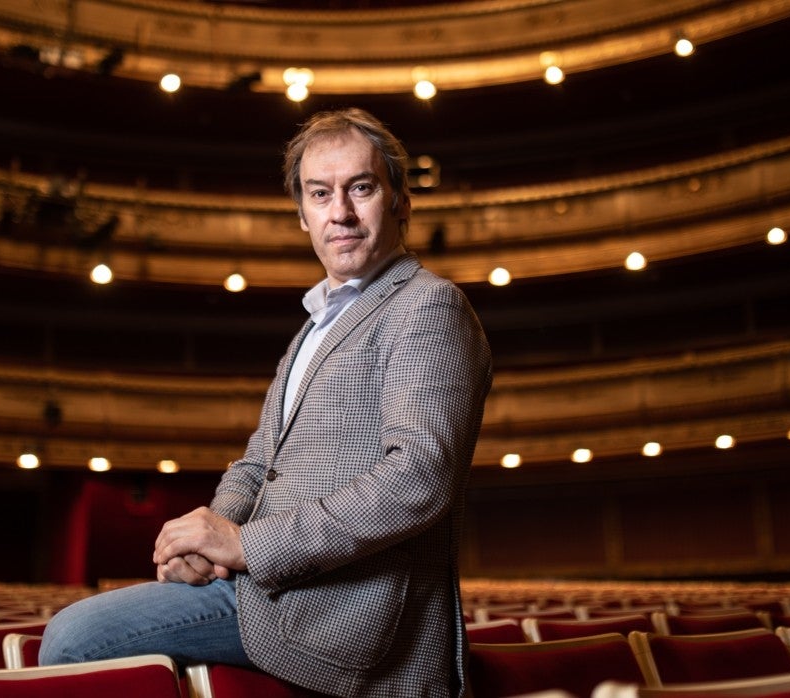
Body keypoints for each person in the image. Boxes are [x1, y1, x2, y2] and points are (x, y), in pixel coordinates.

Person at [39, 107, 493, 697]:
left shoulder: (427, 307)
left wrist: (245, 545)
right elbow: (259, 460)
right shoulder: (314, 326)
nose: (342, 213)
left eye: (362, 188)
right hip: (271, 587)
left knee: (75, 638)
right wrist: (209, 542)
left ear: (402, 201)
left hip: (344, 614)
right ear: (302, 215)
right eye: (320, 194)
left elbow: (416, 480)